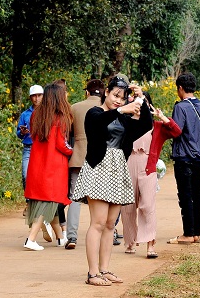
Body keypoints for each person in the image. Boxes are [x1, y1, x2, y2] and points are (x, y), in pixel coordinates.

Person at [70, 76, 152, 286]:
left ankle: (104, 269)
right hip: (98, 169)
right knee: (97, 223)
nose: (118, 100)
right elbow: (98, 123)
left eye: (122, 98)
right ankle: (92, 273)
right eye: (115, 95)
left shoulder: (123, 118)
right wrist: (121, 110)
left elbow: (144, 125)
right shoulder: (94, 113)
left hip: (117, 171)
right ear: (106, 92)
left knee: (109, 225)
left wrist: (142, 98)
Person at [122, 92, 181, 258]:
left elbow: (176, 132)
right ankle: (130, 241)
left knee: (148, 206)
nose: (139, 107)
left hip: (148, 168)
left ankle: (150, 244)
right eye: (135, 103)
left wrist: (162, 117)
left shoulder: (156, 126)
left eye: (143, 103)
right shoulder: (125, 123)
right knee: (127, 207)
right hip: (127, 167)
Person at [23, 83, 73, 251]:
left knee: (48, 200)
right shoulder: (59, 117)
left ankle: (60, 237)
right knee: (48, 202)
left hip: (37, 163)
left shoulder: (36, 115)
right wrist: (73, 151)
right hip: (54, 165)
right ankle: (31, 239)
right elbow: (61, 144)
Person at [167, 72, 200, 245]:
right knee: (197, 195)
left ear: (180, 88)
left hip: (184, 156)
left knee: (185, 195)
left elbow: (176, 130)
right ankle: (196, 232)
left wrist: (165, 122)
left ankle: (188, 233)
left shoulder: (180, 107)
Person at [65, 79, 104, 250]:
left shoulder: (74, 107)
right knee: (101, 197)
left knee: (74, 197)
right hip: (101, 158)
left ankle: (72, 236)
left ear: (87, 92)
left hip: (79, 156)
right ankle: (103, 232)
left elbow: (69, 132)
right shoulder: (106, 108)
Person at [16, 84, 44, 217]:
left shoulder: (47, 113)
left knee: (41, 176)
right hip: (29, 147)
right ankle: (29, 202)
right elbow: (18, 134)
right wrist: (22, 132)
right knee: (26, 175)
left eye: (39, 95)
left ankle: (41, 203)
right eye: (34, 96)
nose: (36, 99)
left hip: (42, 148)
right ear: (30, 98)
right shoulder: (25, 114)